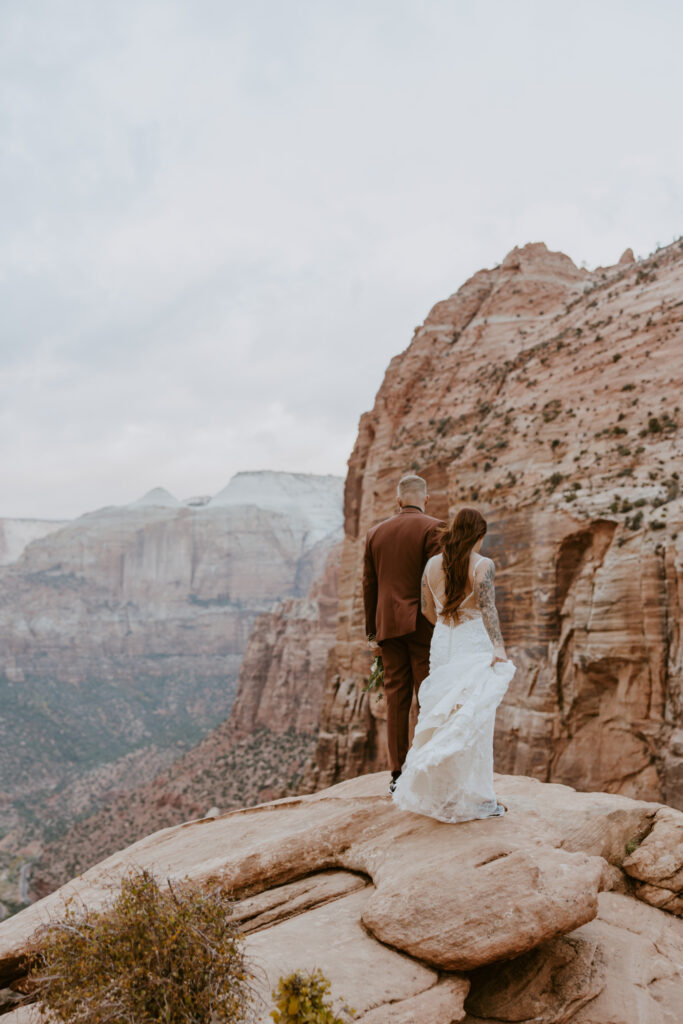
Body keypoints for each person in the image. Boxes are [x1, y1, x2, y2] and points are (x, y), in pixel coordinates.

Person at [391, 506, 516, 822]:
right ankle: (478, 798)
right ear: (478, 535)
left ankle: (442, 794)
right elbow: (488, 610)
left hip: (443, 643)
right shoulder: (483, 566)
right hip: (473, 642)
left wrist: (447, 624)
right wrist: (498, 647)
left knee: (443, 714)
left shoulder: (432, 565)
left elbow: (426, 610)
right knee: (474, 717)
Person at [362, 474, 444, 794]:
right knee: (427, 694)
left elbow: (369, 586)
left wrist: (372, 635)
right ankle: (425, 765)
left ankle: (397, 773)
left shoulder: (374, 533)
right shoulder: (434, 527)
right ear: (425, 499)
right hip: (424, 625)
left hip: (388, 627)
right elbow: (435, 580)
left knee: (396, 697)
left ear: (398, 501)